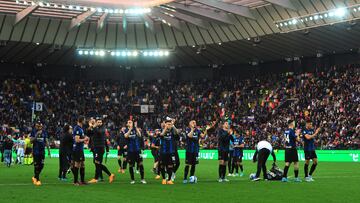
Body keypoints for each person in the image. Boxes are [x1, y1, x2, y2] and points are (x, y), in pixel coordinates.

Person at [88, 118, 115, 184]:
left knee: (97, 163)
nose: (99, 123)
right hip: (96, 148)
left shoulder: (103, 128)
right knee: (97, 163)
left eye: (100, 122)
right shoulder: (95, 128)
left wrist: (93, 126)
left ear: (102, 123)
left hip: (100, 148)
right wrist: (90, 126)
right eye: (98, 122)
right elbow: (88, 133)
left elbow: (99, 132)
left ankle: (109, 175)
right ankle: (96, 178)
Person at [124, 120, 146, 184]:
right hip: (130, 151)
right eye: (128, 122)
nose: (129, 123)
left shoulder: (135, 129)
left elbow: (140, 135)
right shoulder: (125, 130)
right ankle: (132, 179)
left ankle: (142, 179)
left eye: (130, 122)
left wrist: (136, 128)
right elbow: (126, 136)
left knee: (141, 164)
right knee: (131, 165)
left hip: (137, 150)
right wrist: (130, 129)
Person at [30, 121, 51, 186]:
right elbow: (31, 141)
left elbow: (46, 141)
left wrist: (49, 151)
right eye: (38, 126)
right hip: (36, 151)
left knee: (41, 165)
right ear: (36, 126)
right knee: (36, 165)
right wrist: (36, 135)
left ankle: (35, 177)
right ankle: (37, 179)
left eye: (40, 126)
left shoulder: (44, 132)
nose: (39, 127)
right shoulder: (33, 131)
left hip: (42, 151)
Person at [159, 118, 177, 185]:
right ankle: (164, 179)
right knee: (162, 166)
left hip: (170, 152)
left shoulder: (172, 131)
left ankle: (169, 179)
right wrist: (165, 128)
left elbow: (177, 133)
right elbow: (161, 135)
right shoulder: (161, 130)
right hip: (163, 152)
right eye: (168, 124)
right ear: (165, 124)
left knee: (170, 166)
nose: (169, 125)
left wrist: (173, 125)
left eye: (170, 124)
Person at [72, 116, 89, 186]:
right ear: (81, 121)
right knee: (77, 164)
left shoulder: (81, 129)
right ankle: (75, 181)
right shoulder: (77, 129)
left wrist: (85, 138)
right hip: (77, 149)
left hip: (80, 149)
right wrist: (84, 139)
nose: (85, 121)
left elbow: (80, 139)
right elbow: (76, 140)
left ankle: (82, 181)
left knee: (82, 164)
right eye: (84, 120)